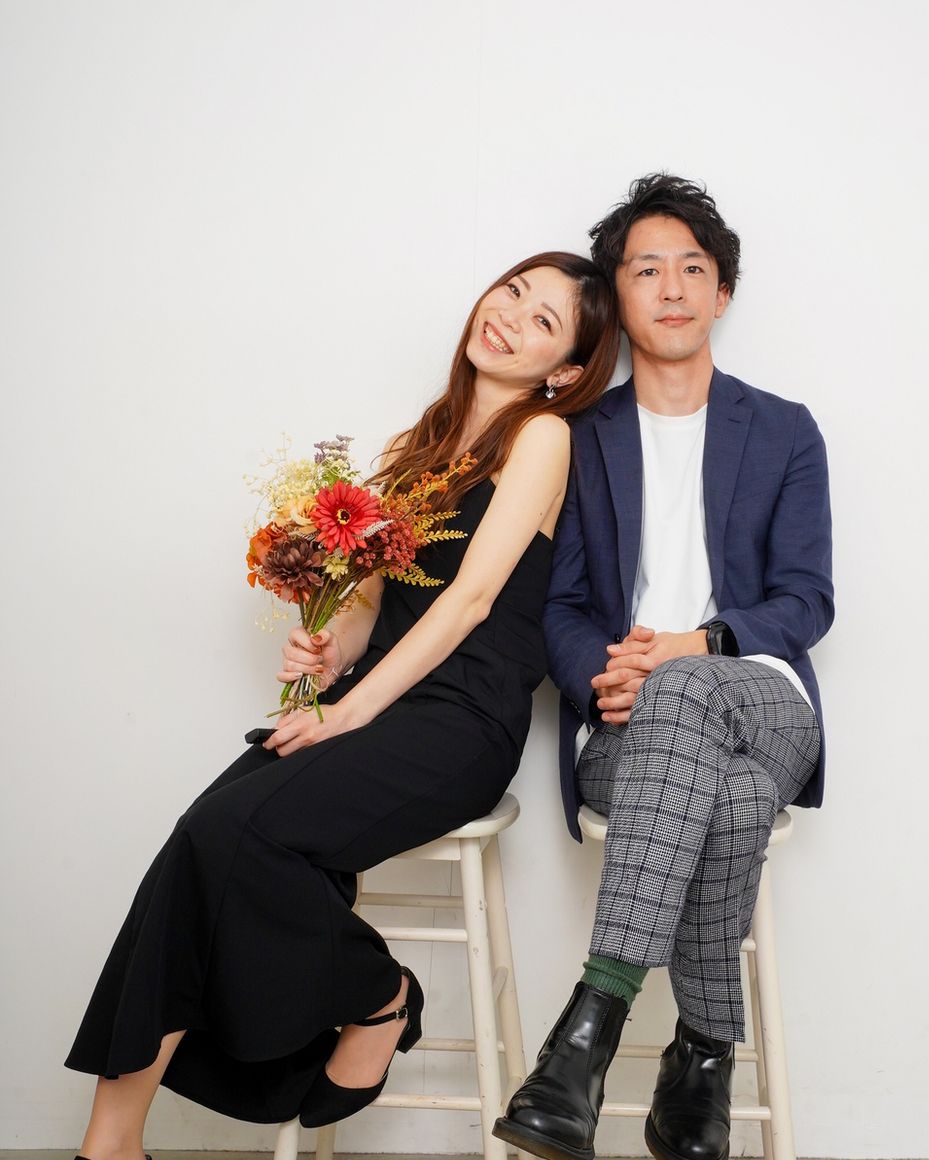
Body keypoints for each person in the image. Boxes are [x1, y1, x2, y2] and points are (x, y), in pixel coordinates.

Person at [65, 251, 620, 1157]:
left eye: (544, 322)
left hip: (462, 719)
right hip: (376, 696)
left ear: (563, 370)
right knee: (200, 836)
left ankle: (379, 996)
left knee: (235, 835)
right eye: (513, 291)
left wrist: (350, 713)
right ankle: (112, 1141)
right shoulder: (417, 445)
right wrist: (327, 650)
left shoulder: (542, 437)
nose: (510, 316)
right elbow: (369, 610)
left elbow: (470, 600)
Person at [494, 175, 834, 1160]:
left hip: (762, 701)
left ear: (722, 291)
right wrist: (601, 676)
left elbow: (806, 600)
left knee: (687, 688)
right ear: (619, 293)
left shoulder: (784, 430)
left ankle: (584, 1036)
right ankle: (703, 1057)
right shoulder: (576, 438)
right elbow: (559, 605)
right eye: (647, 270)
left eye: (692, 268)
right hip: (625, 724)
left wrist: (695, 646)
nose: (673, 287)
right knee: (731, 798)